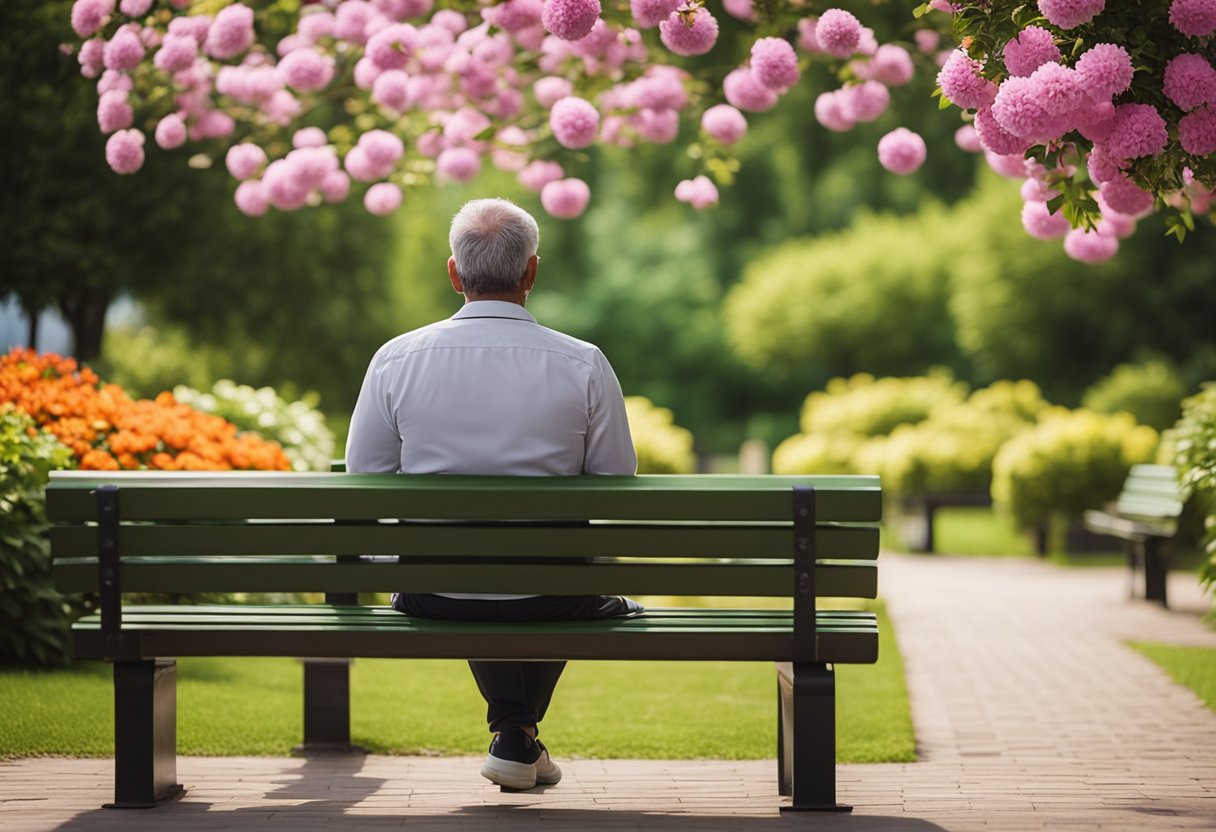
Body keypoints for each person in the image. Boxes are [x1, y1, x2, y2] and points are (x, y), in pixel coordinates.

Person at [345, 197, 641, 791]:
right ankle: (516, 734)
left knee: (484, 573)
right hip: (558, 594)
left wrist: (387, 562)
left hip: (434, 592)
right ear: (532, 272)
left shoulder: (395, 360)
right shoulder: (583, 363)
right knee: (555, 578)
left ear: (453, 273)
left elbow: (364, 482)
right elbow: (614, 486)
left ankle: (515, 734)